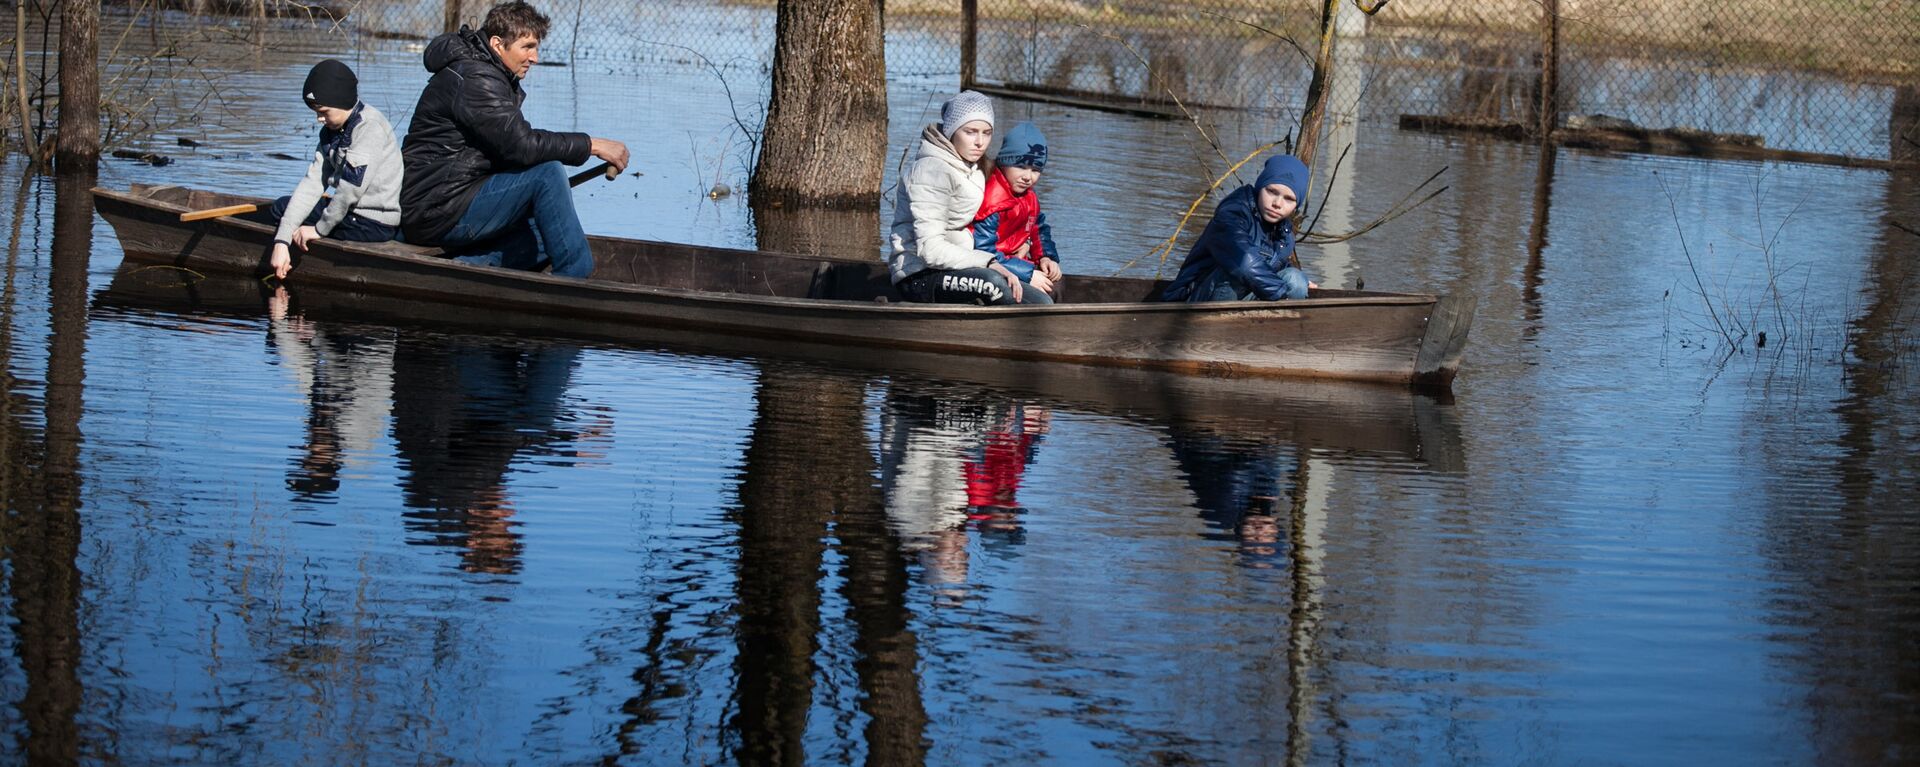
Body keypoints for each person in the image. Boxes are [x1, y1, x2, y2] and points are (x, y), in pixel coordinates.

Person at [399, 0, 629, 278]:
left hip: (453, 199)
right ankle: (576, 280)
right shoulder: (475, 78)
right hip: (435, 209)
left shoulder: (486, 71)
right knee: (548, 174)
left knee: (547, 227)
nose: (535, 57)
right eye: (527, 47)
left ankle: (469, 269)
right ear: (497, 44)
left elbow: (511, 147)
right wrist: (592, 145)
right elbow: (522, 146)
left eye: (536, 47)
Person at [887, 91, 1044, 305]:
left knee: (1041, 301)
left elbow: (1006, 208)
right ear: (952, 131)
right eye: (970, 132)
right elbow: (930, 251)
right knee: (994, 284)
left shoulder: (976, 167)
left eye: (986, 133)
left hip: (961, 266)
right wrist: (990, 263)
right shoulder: (931, 170)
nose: (980, 142)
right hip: (920, 274)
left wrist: (1024, 240)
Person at [268, 59, 404, 280]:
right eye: (315, 112)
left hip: (372, 224)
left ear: (342, 102)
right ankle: (284, 251)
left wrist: (318, 230)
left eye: (323, 111)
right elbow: (312, 184)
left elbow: (350, 190)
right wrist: (282, 239)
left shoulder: (369, 128)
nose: (319, 118)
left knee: (286, 213)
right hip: (349, 214)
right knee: (281, 208)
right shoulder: (332, 131)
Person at [1160, 154, 1318, 302]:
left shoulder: (1284, 234)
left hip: (1241, 296)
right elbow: (1244, 263)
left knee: (1295, 279)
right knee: (1237, 271)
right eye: (1271, 191)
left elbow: (1274, 262)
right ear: (1260, 187)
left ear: (1296, 206)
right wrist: (1282, 294)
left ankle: (1269, 329)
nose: (1277, 203)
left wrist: (1300, 280)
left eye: (1289, 199)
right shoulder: (1232, 214)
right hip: (1195, 301)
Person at [969, 121, 1062, 303]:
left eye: (1036, 170)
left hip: (1013, 261)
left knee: (1057, 283)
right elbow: (983, 252)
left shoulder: (1028, 197)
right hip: (992, 266)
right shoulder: (993, 200)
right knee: (1043, 299)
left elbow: (1038, 228)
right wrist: (1028, 274)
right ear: (1004, 162)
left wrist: (1045, 257)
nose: (1028, 177)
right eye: (1021, 167)